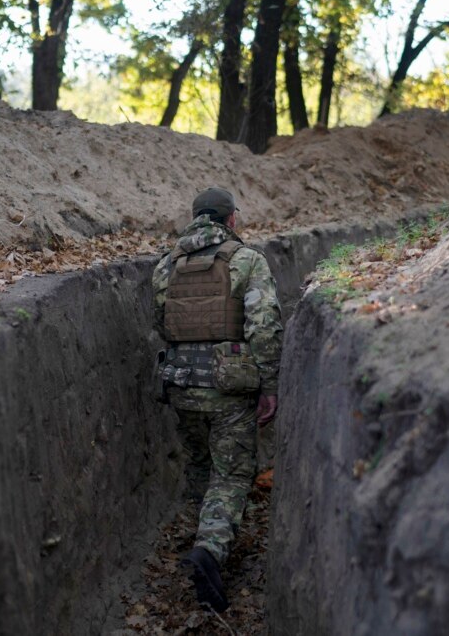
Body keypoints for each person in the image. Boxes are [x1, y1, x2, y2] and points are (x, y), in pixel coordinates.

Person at [152, 187, 282, 612]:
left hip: (182, 385)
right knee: (230, 476)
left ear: (194, 218)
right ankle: (209, 552)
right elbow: (264, 327)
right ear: (230, 220)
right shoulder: (247, 260)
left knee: (200, 467)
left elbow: (162, 323)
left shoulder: (166, 266)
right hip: (230, 390)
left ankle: (197, 538)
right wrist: (269, 386)